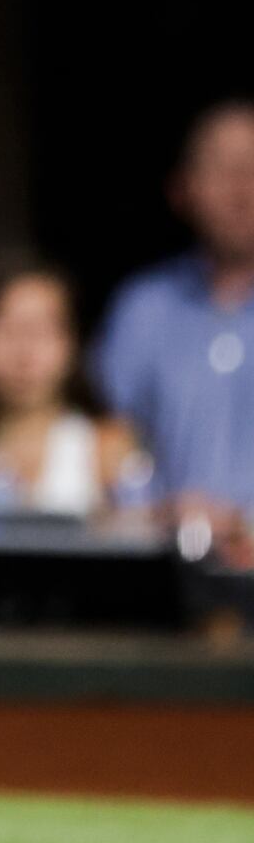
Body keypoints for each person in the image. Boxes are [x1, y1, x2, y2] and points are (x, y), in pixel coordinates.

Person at [95, 99, 254, 566]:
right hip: (162, 569)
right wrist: (150, 510)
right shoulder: (141, 309)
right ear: (182, 189)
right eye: (225, 170)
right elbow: (104, 443)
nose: (243, 190)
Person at [0, 250, 144, 516]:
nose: (24, 353)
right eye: (6, 329)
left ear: (73, 343)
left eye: (43, 330)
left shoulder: (107, 451)